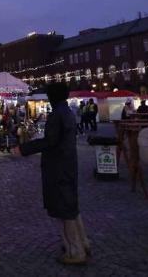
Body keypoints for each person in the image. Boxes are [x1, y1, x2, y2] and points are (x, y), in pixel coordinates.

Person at [14, 83, 90, 265]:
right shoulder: (68, 112)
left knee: (63, 208)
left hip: (58, 167)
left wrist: (23, 149)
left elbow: (50, 141)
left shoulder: (57, 115)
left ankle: (75, 251)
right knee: (71, 205)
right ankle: (83, 242)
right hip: (68, 164)